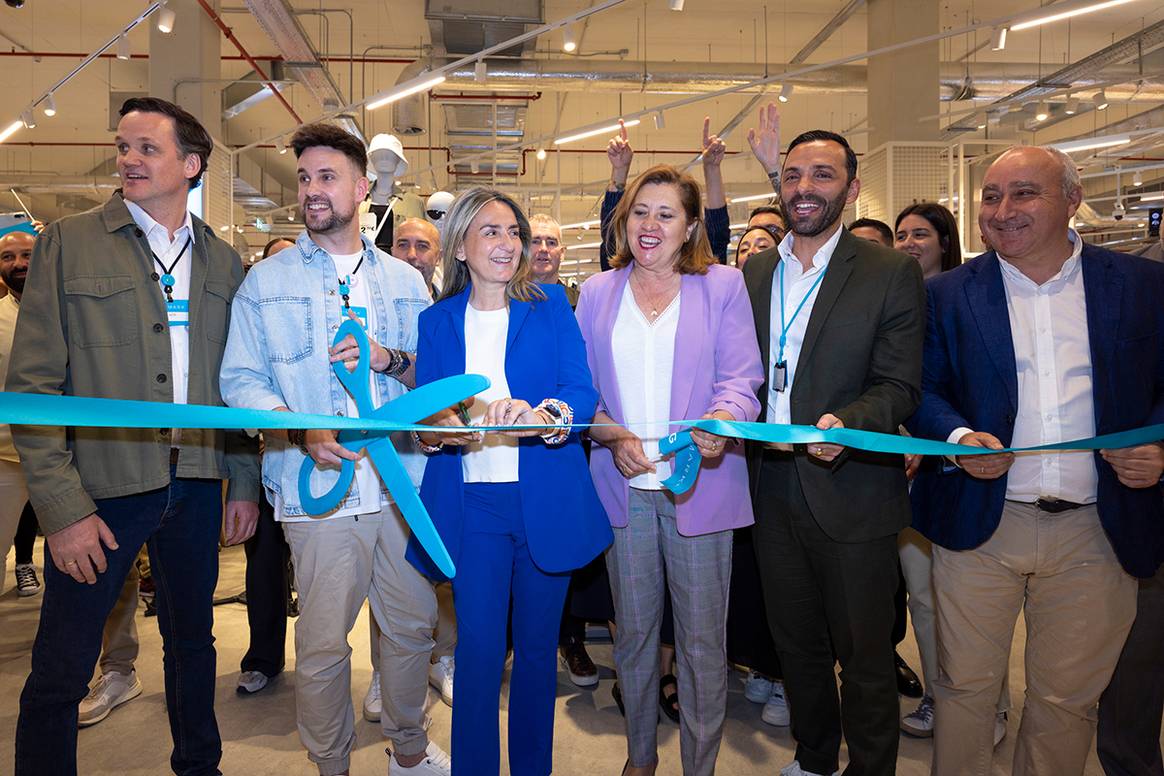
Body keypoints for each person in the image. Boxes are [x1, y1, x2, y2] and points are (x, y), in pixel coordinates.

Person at [9, 96, 261, 776]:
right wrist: (61, 510)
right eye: (123, 147)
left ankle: (198, 766)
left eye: (148, 148)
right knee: (63, 661)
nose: (128, 159)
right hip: (103, 488)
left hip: (200, 481)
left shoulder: (224, 262)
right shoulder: (70, 242)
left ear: (191, 163)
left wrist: (241, 482)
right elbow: (32, 389)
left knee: (193, 646)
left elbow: (234, 386)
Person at [907, 144, 1164, 776]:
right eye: (991, 197)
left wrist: (1160, 447)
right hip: (982, 525)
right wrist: (961, 439)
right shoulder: (948, 294)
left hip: (1097, 528)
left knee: (1064, 702)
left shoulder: (1141, 286)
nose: (1003, 210)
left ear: (1072, 201)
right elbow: (923, 390)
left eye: (1024, 193)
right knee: (965, 690)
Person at [220, 122, 450, 776]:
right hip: (314, 492)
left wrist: (390, 359)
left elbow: (430, 378)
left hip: (401, 486)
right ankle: (330, 764)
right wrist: (296, 424)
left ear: (359, 187)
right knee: (322, 647)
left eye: (326, 178)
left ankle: (407, 748)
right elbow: (239, 378)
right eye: (304, 178)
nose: (312, 191)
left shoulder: (407, 283)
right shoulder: (266, 281)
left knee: (410, 631)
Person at [407, 187, 611, 776]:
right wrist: (442, 429)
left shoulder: (550, 305)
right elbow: (429, 417)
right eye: (492, 232)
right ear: (462, 245)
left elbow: (579, 389)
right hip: (472, 505)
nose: (508, 243)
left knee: (537, 655)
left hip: (543, 499)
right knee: (477, 654)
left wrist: (542, 413)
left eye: (513, 232)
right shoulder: (437, 321)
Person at [742, 125, 926, 776]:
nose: (804, 188)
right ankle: (815, 755)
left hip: (851, 489)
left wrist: (843, 425)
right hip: (770, 487)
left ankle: (871, 768)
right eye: (793, 175)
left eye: (822, 175)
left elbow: (900, 384)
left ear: (851, 186)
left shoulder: (889, 271)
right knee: (797, 645)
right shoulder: (756, 270)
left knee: (866, 656)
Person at [577, 164, 764, 776]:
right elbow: (580, 390)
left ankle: (699, 766)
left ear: (690, 227)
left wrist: (721, 418)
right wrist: (609, 432)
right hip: (623, 486)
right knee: (632, 636)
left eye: (665, 214)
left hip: (700, 488)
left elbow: (743, 380)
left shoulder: (722, 285)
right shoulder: (599, 292)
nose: (649, 225)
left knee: (702, 643)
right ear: (623, 221)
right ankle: (639, 757)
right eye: (639, 212)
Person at [888, 201, 1011, 740]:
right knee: (923, 595)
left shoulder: (972, 299)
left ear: (945, 241)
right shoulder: (894, 298)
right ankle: (942, 697)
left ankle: (993, 705)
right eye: (901, 234)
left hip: (967, 469)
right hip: (907, 470)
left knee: (980, 604)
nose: (909, 243)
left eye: (921, 234)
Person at [235, 236, 297, 697]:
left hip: (323, 463)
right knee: (265, 567)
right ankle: (263, 657)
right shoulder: (253, 323)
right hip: (267, 461)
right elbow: (238, 388)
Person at [0, 229, 35, 594]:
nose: (19, 264)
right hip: (5, 456)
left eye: (26, 255)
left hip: (74, 453)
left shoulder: (71, 312)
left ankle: (119, 653)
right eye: (8, 257)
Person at [529, 213, 580, 307]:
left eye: (551, 243)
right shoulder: (506, 302)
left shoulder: (581, 304)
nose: (543, 249)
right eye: (535, 242)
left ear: (562, 253)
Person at [394, 217, 442, 298]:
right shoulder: (370, 303)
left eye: (422, 246)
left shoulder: (454, 308)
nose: (411, 255)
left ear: (438, 257)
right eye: (403, 245)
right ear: (392, 252)